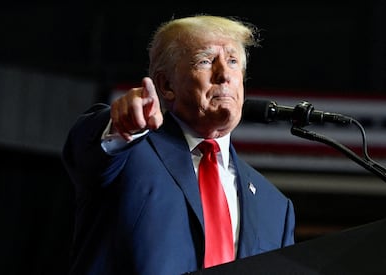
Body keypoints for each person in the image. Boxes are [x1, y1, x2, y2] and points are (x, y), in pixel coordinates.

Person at [62, 14, 295, 275]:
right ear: (166, 85)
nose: (224, 75)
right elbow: (85, 148)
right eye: (206, 61)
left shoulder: (275, 206)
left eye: (232, 62)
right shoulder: (129, 152)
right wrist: (121, 125)